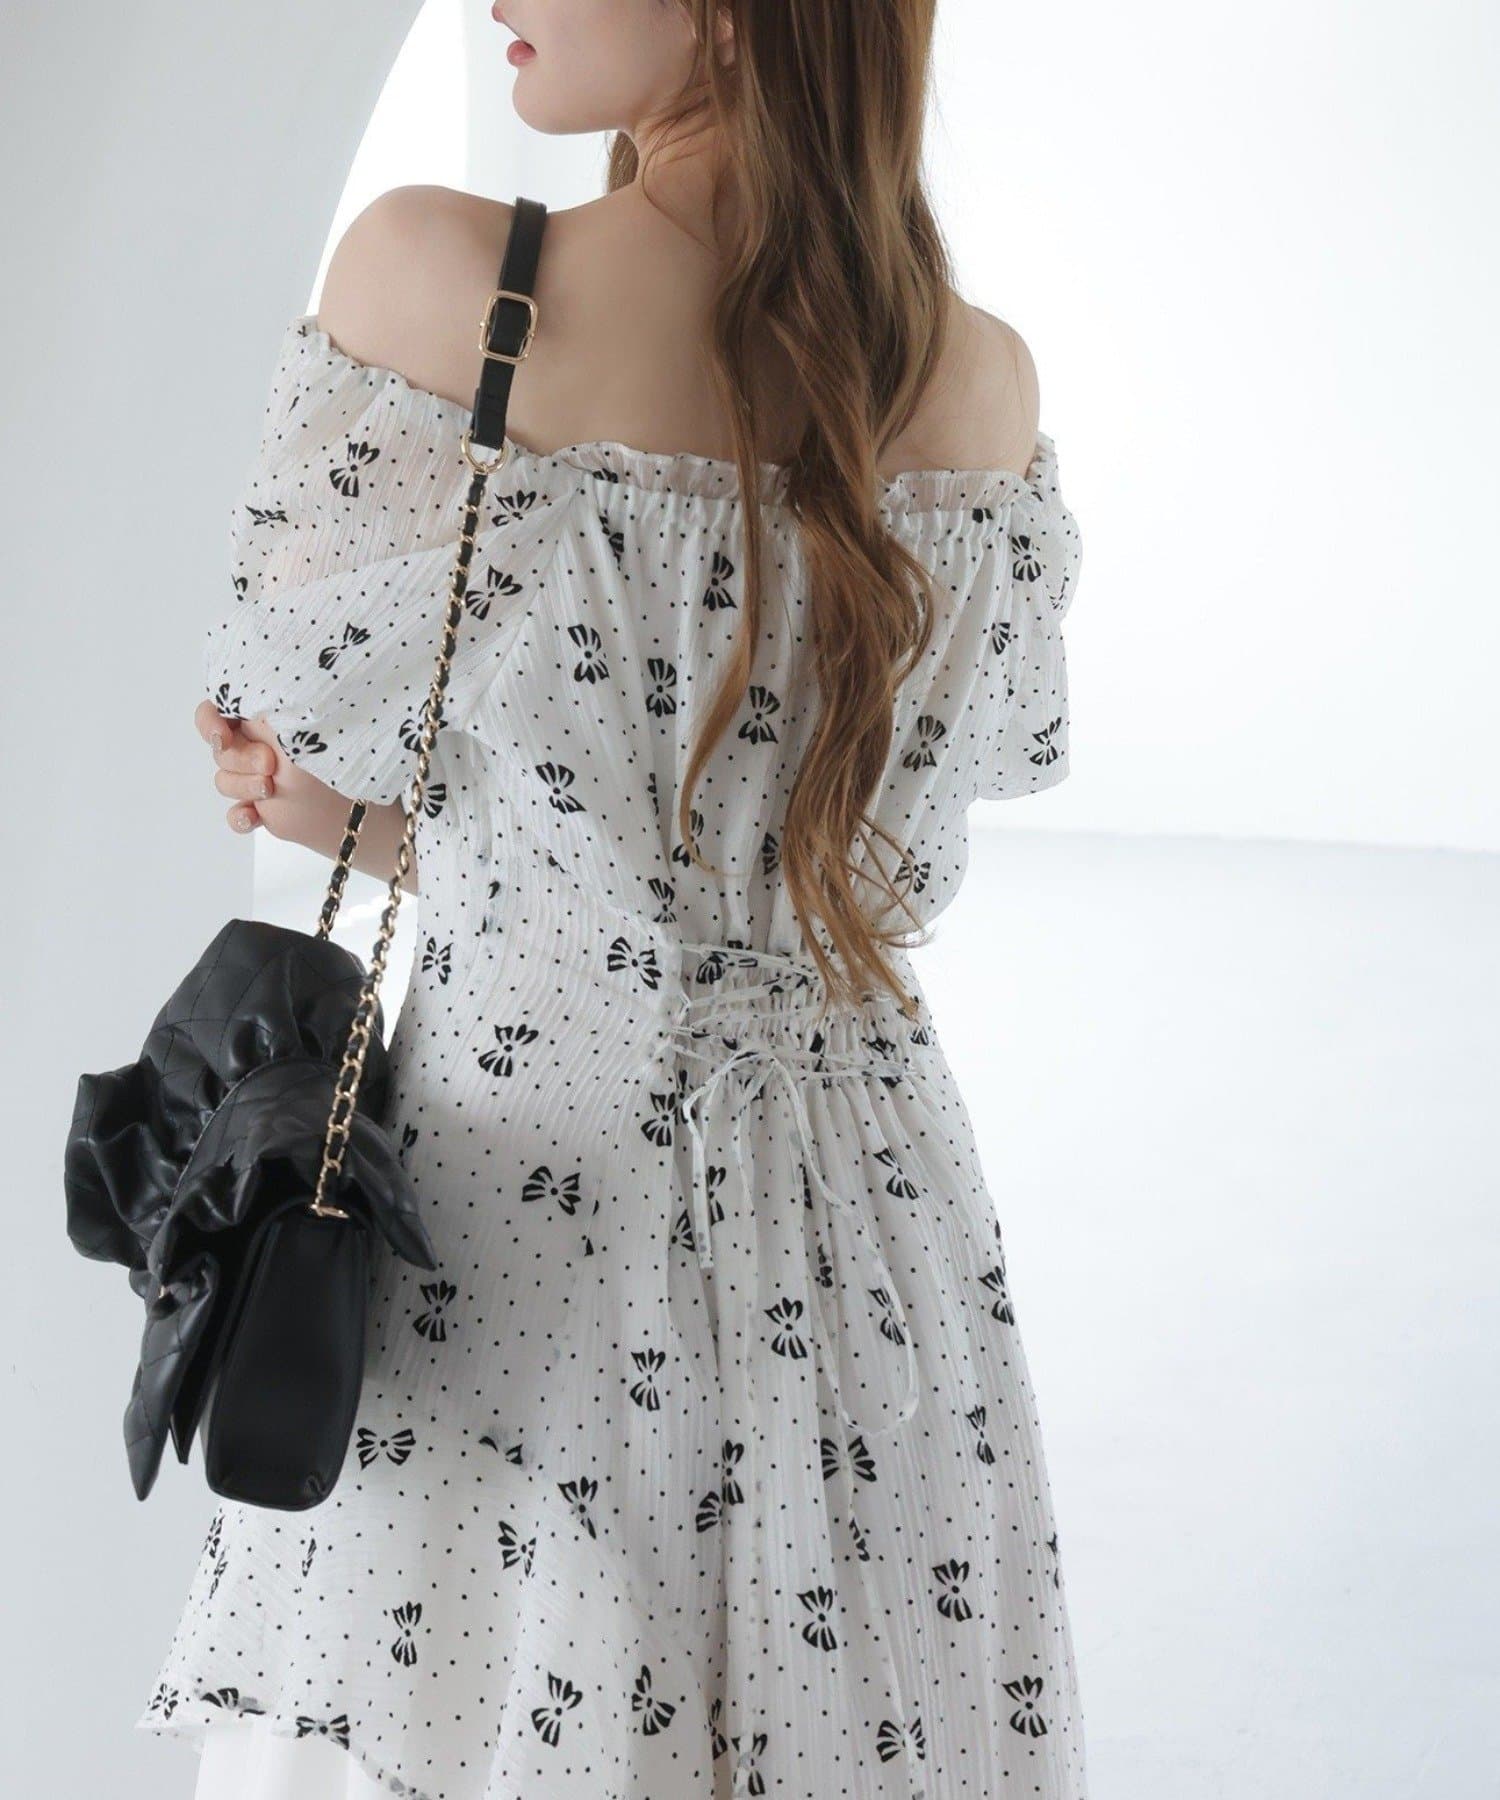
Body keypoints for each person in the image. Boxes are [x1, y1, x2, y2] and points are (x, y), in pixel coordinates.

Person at [144, 2, 1086, 1794]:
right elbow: (835, 882)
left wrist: (346, 809)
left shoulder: (449, 282)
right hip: (870, 1222)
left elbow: (435, 790)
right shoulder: (979, 377)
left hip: (525, 1204)